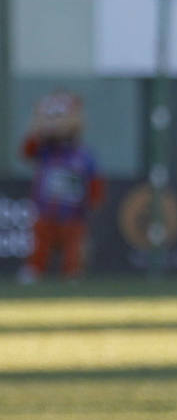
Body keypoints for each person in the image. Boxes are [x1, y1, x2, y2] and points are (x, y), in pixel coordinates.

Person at [17, 91, 104, 284]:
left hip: (73, 212)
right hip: (45, 209)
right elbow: (27, 151)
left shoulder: (83, 155)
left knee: (73, 244)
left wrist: (95, 198)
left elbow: (94, 178)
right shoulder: (45, 151)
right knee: (40, 242)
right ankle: (34, 269)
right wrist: (38, 129)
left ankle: (72, 271)